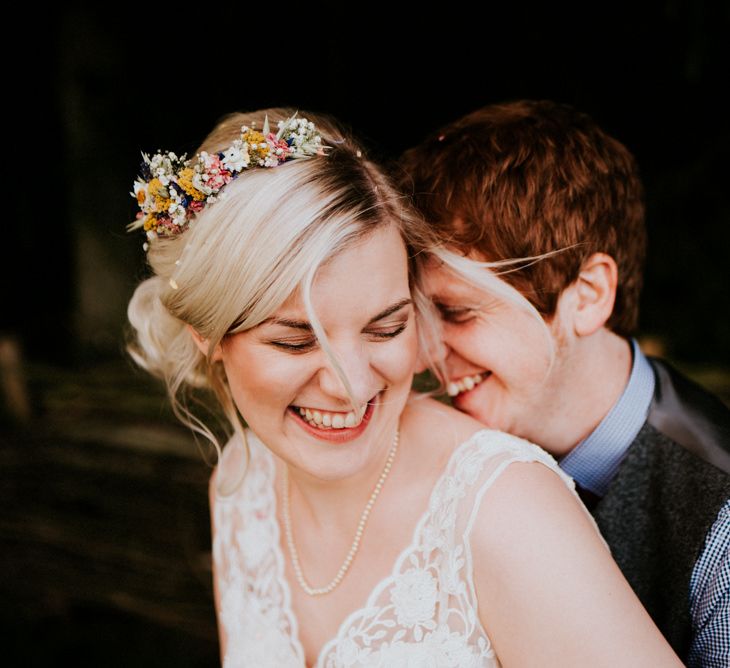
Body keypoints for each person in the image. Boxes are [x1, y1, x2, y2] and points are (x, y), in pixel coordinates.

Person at [126, 107, 681, 667]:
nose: (351, 385)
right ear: (208, 335)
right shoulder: (240, 485)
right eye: (296, 341)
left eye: (386, 328)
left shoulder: (505, 509)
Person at [399, 99, 730, 666]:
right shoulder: (427, 439)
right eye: (414, 315)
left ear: (589, 295)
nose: (424, 354)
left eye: (457, 312)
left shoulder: (720, 529)